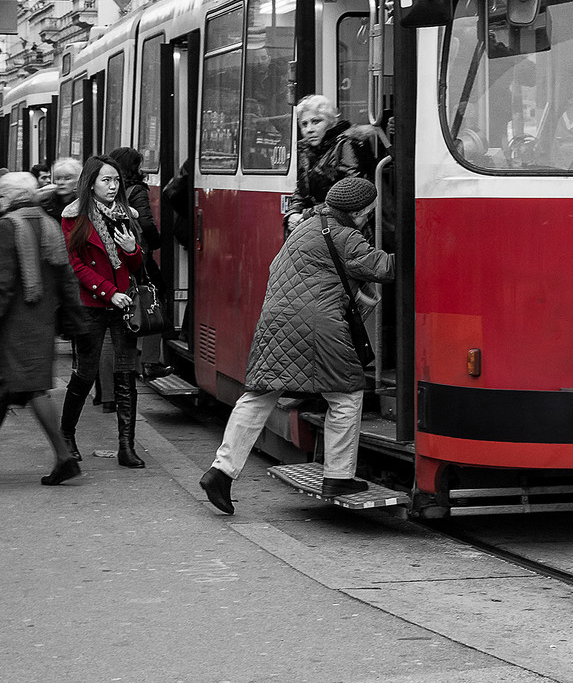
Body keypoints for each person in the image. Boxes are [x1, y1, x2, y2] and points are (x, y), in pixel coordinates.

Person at [199, 175, 394, 515]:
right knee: (346, 394)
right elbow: (384, 268)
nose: (369, 218)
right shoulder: (346, 236)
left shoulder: (306, 226)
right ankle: (337, 475)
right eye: (369, 212)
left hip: (275, 320)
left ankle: (221, 471)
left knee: (259, 395)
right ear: (360, 210)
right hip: (318, 324)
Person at [0, 172, 86, 485]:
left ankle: (64, 457)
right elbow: (66, 276)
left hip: (14, 325)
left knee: (32, 387)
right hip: (41, 321)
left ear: (12, 196)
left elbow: (1, 284)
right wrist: (73, 317)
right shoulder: (49, 223)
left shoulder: (8, 226)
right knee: (4, 388)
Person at [59, 155, 147, 468]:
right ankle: (66, 437)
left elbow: (137, 266)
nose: (112, 186)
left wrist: (130, 250)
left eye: (116, 180)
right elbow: (76, 264)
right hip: (93, 306)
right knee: (84, 374)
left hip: (124, 308)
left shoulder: (128, 215)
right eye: (105, 180)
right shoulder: (74, 216)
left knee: (125, 377)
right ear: (91, 182)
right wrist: (110, 293)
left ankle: (127, 446)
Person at [109, 146, 170, 381]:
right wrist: (156, 242)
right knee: (154, 298)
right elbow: (145, 223)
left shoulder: (109, 189)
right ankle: (150, 361)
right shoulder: (137, 190)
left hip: (116, 258)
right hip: (136, 255)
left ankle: (129, 361)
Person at [284, 95, 363, 232]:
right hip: (318, 227)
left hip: (344, 233)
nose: (309, 129)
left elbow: (351, 196)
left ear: (330, 122)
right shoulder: (304, 150)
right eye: (304, 124)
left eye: (316, 121)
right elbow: (301, 191)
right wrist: (292, 214)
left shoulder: (345, 145)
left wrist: (306, 214)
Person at [37, 157, 81, 225]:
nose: (61, 182)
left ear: (77, 180)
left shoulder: (85, 203)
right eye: (58, 178)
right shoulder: (43, 201)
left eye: (67, 178)